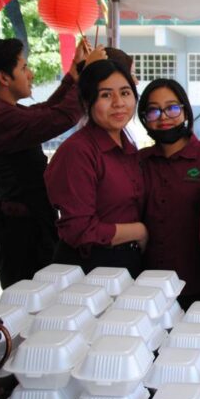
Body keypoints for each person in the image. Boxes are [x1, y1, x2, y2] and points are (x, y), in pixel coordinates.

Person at [0, 38, 98, 287]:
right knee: (31, 295)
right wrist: (86, 77)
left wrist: (74, 74)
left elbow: (47, 110)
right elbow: (60, 117)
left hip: (30, 221)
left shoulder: (1, 111)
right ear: (3, 77)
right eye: (23, 67)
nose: (31, 74)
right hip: (21, 230)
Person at [44, 59, 146, 277]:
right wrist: (138, 231)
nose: (119, 103)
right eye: (106, 95)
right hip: (89, 268)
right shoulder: (78, 151)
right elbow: (79, 229)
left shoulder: (128, 145)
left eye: (125, 93)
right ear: (86, 101)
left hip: (126, 262)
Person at [138, 79, 200, 309]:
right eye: (153, 110)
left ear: (185, 111)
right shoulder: (139, 161)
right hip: (148, 288)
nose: (163, 117)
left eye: (172, 108)